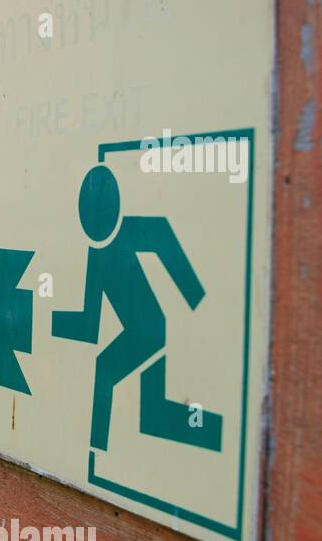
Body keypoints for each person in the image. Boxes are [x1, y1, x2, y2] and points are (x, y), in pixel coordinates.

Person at [51, 165, 222, 453]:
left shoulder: (132, 229)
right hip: (146, 332)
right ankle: (215, 431)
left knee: (106, 368)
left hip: (151, 331)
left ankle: (95, 446)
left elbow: (164, 240)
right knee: (155, 412)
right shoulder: (96, 254)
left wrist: (197, 297)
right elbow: (89, 324)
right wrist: (51, 319)